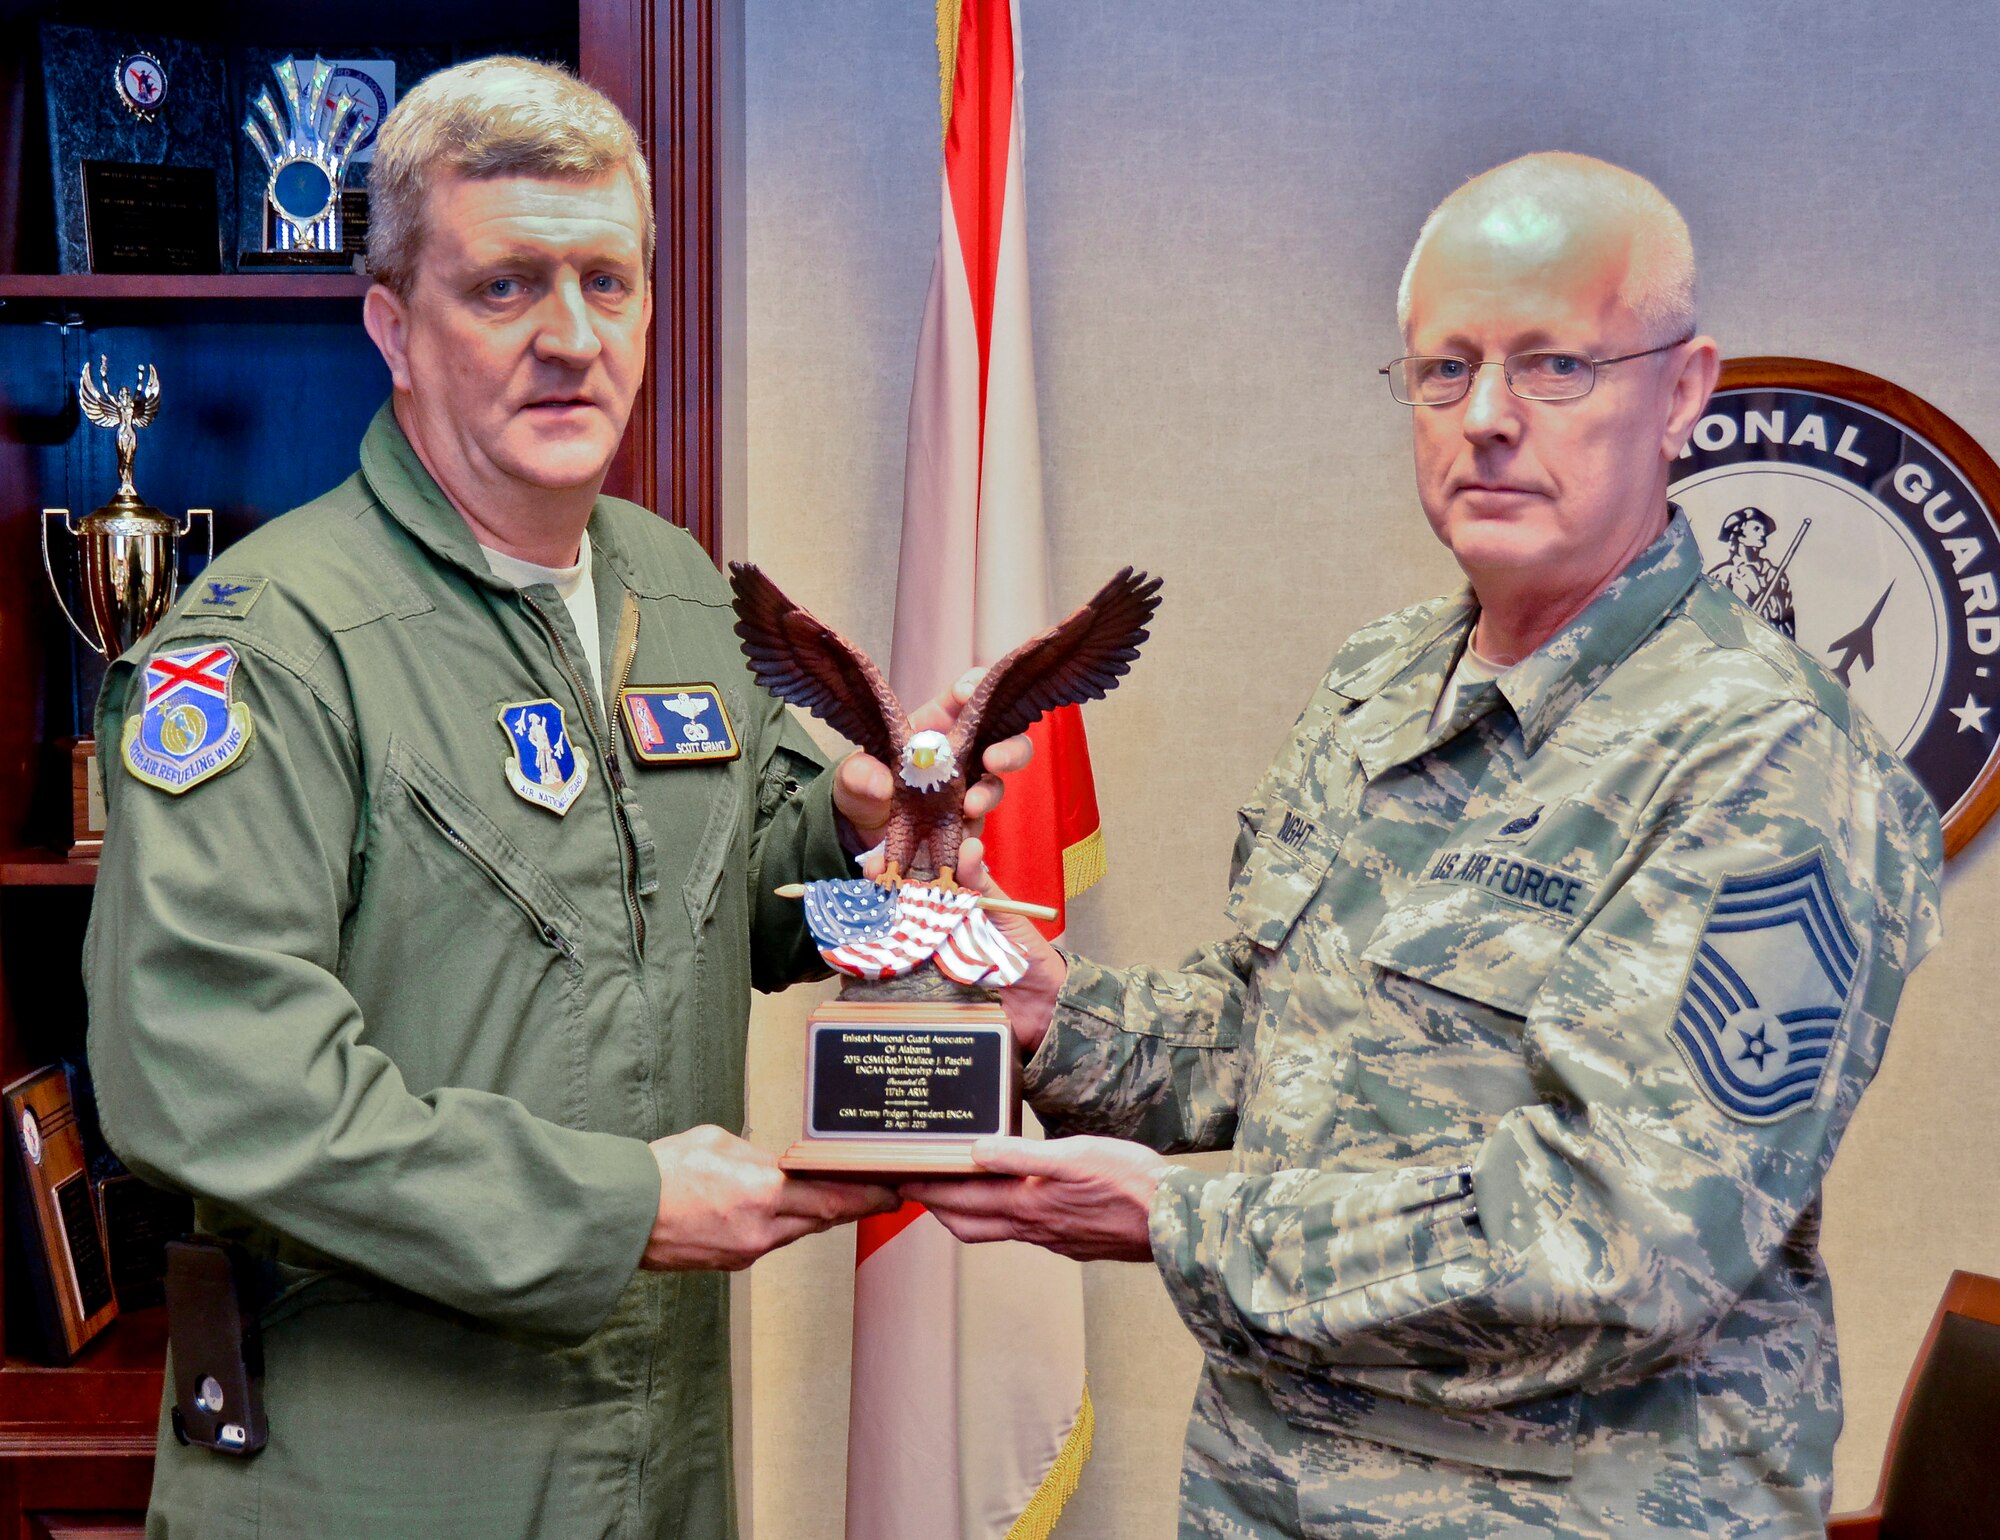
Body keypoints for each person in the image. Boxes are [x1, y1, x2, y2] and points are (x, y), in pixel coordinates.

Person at [911, 153, 1944, 1538]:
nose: (1491, 420)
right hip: (1266, 1491)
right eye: (1445, 371)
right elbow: (1279, 1038)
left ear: (1683, 389)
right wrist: (1044, 1012)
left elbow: (1623, 1244)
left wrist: (1180, 1223)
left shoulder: (1769, 761)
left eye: (1555, 366)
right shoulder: (1381, 681)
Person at [84, 57, 1021, 1540]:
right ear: (393, 325)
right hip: (385, 1476)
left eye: (609, 282)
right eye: (506, 288)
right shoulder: (263, 652)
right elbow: (211, 1082)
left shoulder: (673, 585)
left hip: (663, 1460)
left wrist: (858, 825)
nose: (572, 340)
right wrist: (619, 1211)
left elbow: (732, 892)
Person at [1708, 505, 1799, 637]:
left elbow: (1784, 621)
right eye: (1756, 529)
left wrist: (1758, 589)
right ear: (1739, 534)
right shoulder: (1720, 575)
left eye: (1764, 530)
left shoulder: (1775, 576)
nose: (1763, 534)